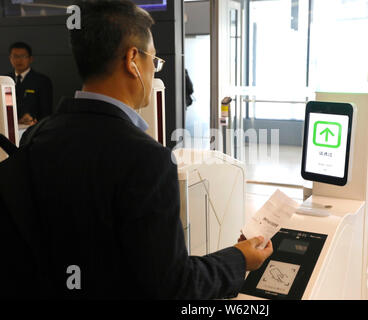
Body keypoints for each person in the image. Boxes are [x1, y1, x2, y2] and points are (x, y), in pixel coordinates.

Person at [21, 0, 272, 299]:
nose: (154, 69)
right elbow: (173, 286)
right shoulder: (146, 160)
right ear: (132, 60)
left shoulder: (37, 137)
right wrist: (239, 258)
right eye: (153, 60)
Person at [7, 42, 53, 125]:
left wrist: (33, 119)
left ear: (30, 59)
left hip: (33, 127)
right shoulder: (5, 79)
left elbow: (46, 111)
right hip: (8, 126)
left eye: (23, 56)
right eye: (15, 56)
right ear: (10, 58)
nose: (19, 60)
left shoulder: (42, 81)